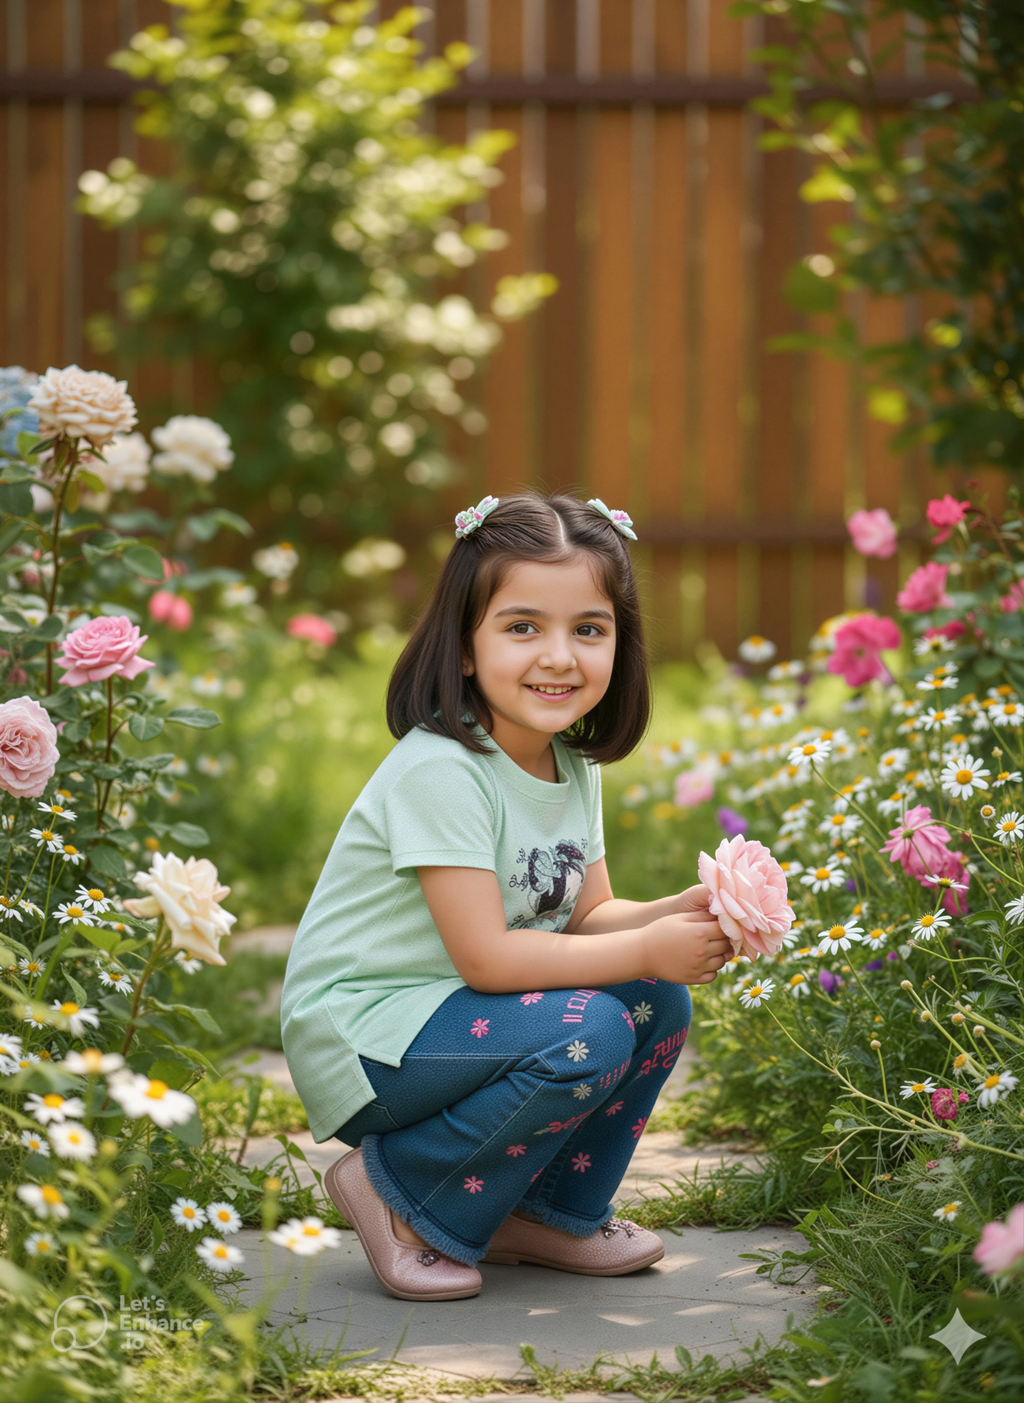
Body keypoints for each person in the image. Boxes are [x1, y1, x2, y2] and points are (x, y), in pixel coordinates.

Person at [280, 491, 732, 1302]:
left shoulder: (570, 765)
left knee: (656, 997)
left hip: (456, 1017)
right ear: (463, 646)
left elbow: (589, 916)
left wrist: (681, 911)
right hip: (369, 1034)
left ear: (620, 643)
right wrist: (643, 946)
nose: (559, 656)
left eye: (588, 629)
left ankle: (544, 1210)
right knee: (589, 1030)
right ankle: (398, 1188)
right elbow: (488, 959)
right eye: (523, 626)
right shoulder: (442, 769)